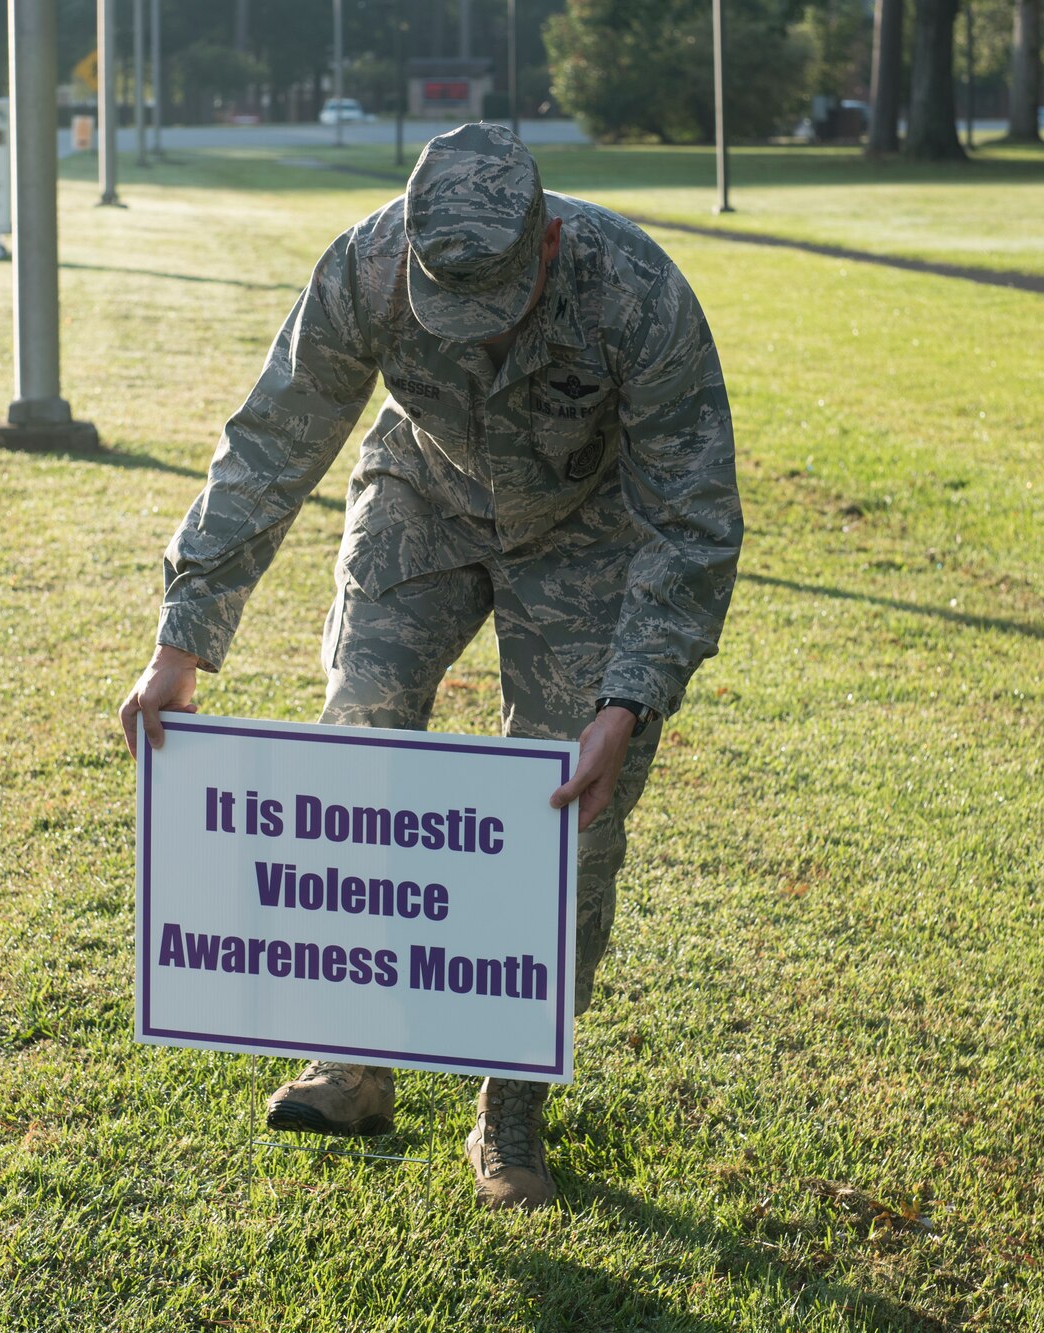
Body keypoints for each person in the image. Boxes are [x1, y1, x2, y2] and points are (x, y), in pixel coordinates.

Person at [118, 123, 741, 1211]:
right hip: (425, 491)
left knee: (563, 811)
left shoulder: (633, 291)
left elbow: (692, 521)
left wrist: (627, 702)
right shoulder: (364, 266)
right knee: (358, 744)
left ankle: (509, 1105)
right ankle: (356, 1058)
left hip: (585, 530)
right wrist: (184, 638)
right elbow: (274, 436)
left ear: (544, 247)